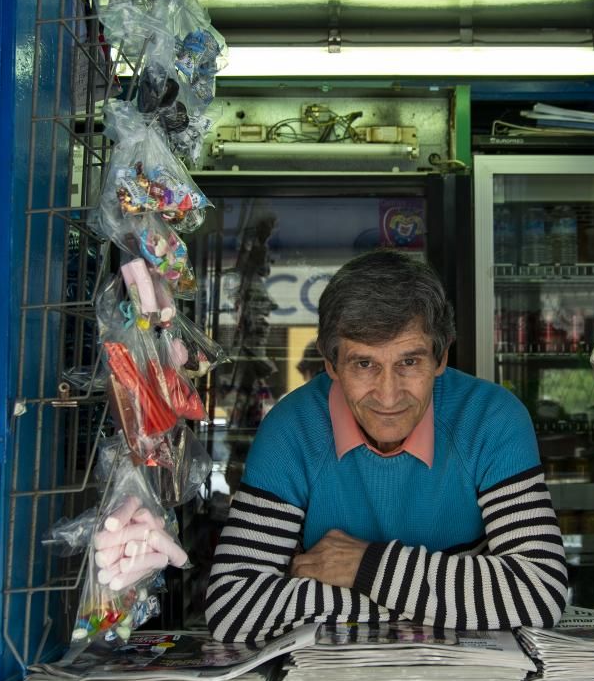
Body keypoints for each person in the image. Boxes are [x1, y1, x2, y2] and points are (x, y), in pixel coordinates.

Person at [207, 250, 567, 644]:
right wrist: (451, 598)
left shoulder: (491, 418)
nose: (389, 394)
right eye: (364, 365)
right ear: (331, 364)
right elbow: (234, 606)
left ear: (441, 357)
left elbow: (539, 591)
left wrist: (365, 566)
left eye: (409, 362)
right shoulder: (291, 429)